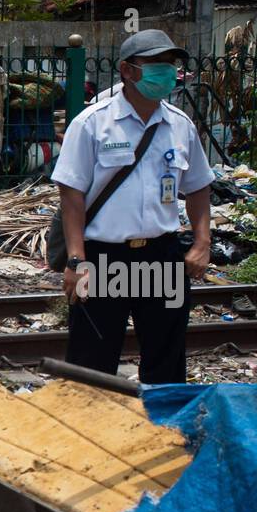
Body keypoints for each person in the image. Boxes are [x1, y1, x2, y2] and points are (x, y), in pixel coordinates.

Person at [51, 29, 213, 384]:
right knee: (90, 361)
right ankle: (88, 432)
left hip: (163, 255)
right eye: (156, 64)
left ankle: (161, 432)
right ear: (127, 70)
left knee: (166, 359)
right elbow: (72, 197)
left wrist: (202, 243)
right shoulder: (92, 124)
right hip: (100, 257)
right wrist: (75, 261)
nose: (167, 72)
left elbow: (199, 186)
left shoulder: (179, 125)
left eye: (170, 64)